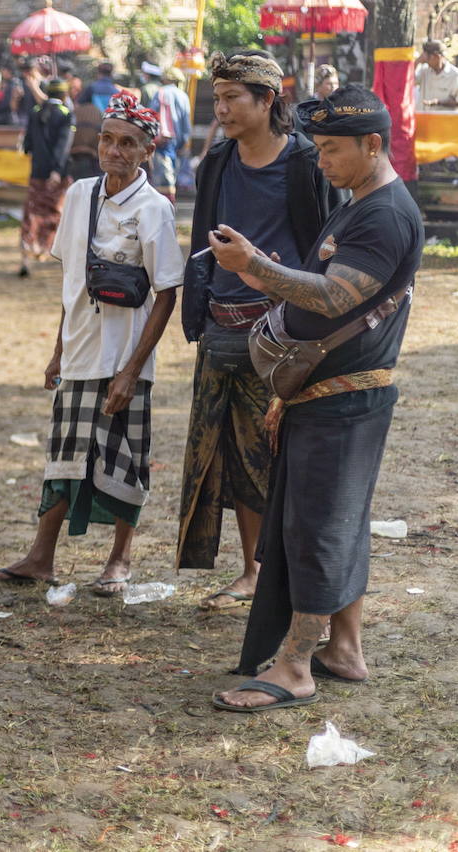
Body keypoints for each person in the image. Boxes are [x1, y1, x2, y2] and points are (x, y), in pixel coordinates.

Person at [209, 85, 422, 711]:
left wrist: (258, 268)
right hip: (329, 395)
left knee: (317, 528)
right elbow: (326, 287)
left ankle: (297, 663)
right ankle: (344, 648)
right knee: (340, 520)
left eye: (331, 149)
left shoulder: (384, 213)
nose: (320, 160)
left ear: (373, 144)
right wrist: (265, 272)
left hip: (343, 400)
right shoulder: (361, 200)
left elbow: (334, 298)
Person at [0, 92, 183, 595]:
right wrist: (57, 350)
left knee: (125, 456)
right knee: (64, 452)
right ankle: (41, 557)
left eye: (128, 144)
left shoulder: (153, 209)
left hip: (124, 358)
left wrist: (132, 370)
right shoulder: (79, 196)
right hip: (78, 351)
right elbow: (73, 282)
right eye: (108, 140)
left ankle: (120, 559)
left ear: (146, 153)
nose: (114, 151)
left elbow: (166, 294)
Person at [176, 50, 344, 611]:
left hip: (282, 333)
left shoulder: (306, 163)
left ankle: (287, 576)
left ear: (268, 99)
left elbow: (329, 244)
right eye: (217, 98)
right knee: (232, 455)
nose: (220, 109)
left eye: (231, 99)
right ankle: (251, 571)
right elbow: (204, 240)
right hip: (223, 325)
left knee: (279, 456)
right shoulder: (218, 161)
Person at [19, 78, 75, 275]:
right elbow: (63, 145)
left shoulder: (35, 112)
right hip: (56, 174)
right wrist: (57, 170)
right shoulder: (66, 114)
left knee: (33, 210)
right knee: (54, 211)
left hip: (37, 170)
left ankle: (29, 246)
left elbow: (27, 143)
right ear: (64, 95)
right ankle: (47, 249)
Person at [149, 66, 191, 203]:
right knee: (171, 178)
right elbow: (186, 124)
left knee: (162, 182)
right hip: (178, 144)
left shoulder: (160, 93)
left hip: (162, 143)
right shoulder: (183, 96)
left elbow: (151, 117)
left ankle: (163, 211)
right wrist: (184, 143)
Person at [416, 41, 458, 111]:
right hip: (424, 119)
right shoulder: (424, 70)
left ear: (438, 56)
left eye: (428, 57)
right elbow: (409, 82)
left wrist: (438, 102)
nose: (426, 60)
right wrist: (416, 62)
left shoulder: (455, 75)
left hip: (444, 120)